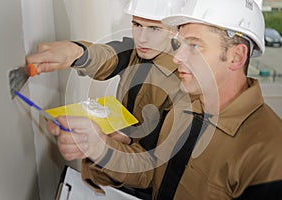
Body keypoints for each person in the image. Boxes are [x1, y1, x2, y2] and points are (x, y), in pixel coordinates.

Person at [48, 0, 282, 199]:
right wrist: (100, 147)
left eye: (195, 46)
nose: (177, 58)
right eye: (180, 44)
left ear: (236, 56)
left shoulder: (277, 159)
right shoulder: (183, 111)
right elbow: (152, 174)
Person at [28, 0, 184, 198]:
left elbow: (157, 161)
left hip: (143, 183)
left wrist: (118, 141)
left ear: (175, 30)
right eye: (137, 25)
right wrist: (76, 52)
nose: (142, 38)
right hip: (113, 171)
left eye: (154, 28)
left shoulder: (184, 82)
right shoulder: (137, 52)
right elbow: (108, 57)